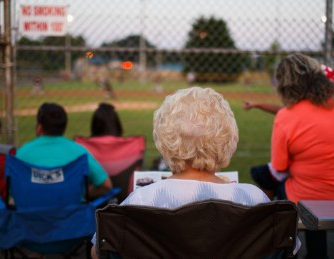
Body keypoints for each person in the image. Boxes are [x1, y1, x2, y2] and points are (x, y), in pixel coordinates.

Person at [91, 87, 273, 259]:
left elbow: (99, 251)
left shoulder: (141, 201)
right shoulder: (254, 199)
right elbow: (283, 249)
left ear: (164, 139)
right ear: (229, 138)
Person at [250, 53, 334, 259]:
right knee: (309, 185)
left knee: (275, 181)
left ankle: (278, 244)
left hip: (309, 195)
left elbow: (279, 167)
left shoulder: (287, 116)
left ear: (284, 84)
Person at [16, 102, 113, 199]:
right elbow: (106, 185)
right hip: (72, 213)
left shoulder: (22, 153)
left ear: (39, 128)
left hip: (31, 213)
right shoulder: (79, 152)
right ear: (64, 127)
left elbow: (13, 189)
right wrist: (83, 193)